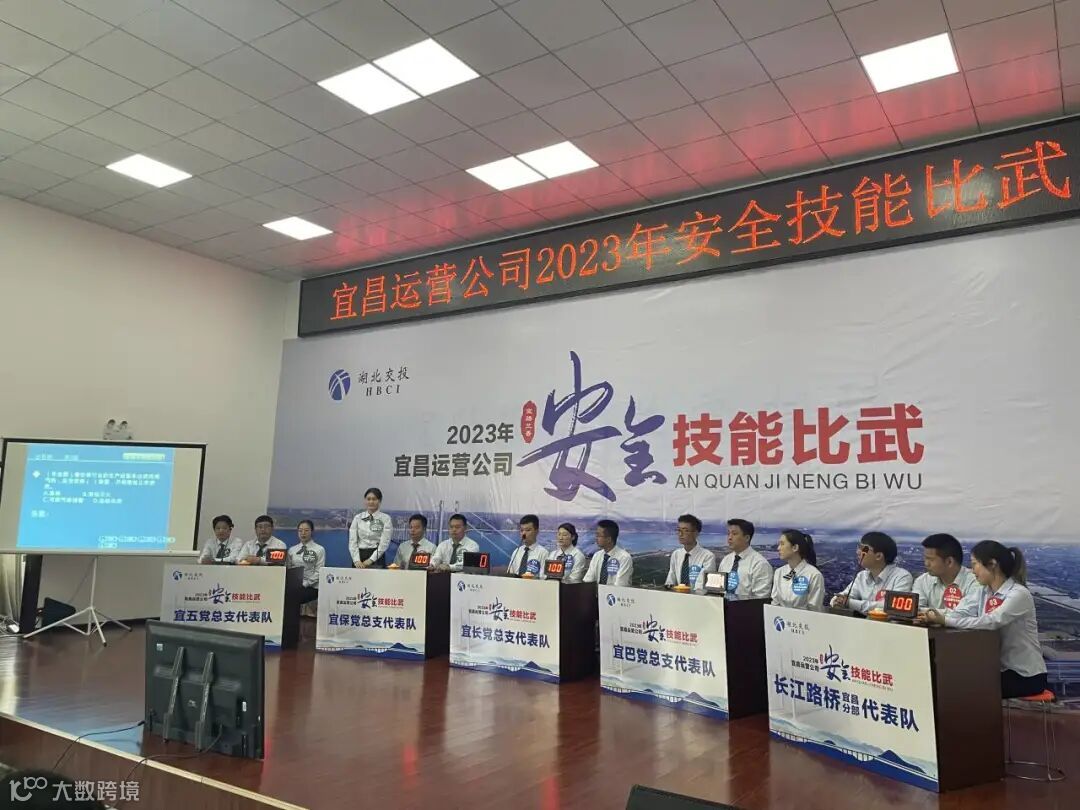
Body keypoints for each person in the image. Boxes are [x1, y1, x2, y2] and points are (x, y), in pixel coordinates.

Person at [921, 541, 1046, 698]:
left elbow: (992, 621)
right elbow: (959, 612)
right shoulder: (983, 592)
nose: (972, 570)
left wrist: (945, 621)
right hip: (995, 669)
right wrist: (925, 613)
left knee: (959, 688)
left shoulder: (1019, 594)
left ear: (992, 564)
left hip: (1024, 675)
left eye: (975, 564)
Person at [831, 531, 913, 612]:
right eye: (858, 547)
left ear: (878, 556)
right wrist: (838, 601)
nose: (858, 552)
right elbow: (841, 597)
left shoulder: (902, 577)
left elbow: (892, 607)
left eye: (864, 549)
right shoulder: (861, 576)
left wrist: (850, 603)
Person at [913, 533, 979, 613]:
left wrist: (929, 613)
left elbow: (966, 613)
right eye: (925, 558)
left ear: (949, 562)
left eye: (931, 559)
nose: (926, 563)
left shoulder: (974, 582)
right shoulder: (922, 581)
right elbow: (914, 610)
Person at [771, 529, 825, 611]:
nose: (778, 548)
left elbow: (814, 609)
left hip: (804, 618)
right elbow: (775, 603)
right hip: (780, 617)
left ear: (795, 548)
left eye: (782, 544)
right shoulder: (779, 572)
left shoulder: (814, 575)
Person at [717, 519, 772, 598]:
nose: (729, 537)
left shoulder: (760, 564)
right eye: (728, 534)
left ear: (747, 538)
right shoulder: (726, 560)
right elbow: (719, 589)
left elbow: (760, 598)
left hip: (746, 605)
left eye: (734, 534)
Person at [664, 514, 716, 592]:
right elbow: (670, 581)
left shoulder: (707, 556)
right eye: (679, 530)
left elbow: (701, 586)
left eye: (685, 530)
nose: (680, 534)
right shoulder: (676, 554)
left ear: (696, 533)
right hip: (676, 596)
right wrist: (669, 588)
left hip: (698, 598)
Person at [349, 487, 392, 568]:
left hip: (377, 557)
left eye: (374, 499)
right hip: (359, 557)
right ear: (365, 501)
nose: (371, 502)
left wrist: (371, 560)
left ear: (379, 501)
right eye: (368, 499)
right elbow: (352, 541)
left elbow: (384, 543)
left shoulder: (386, 519)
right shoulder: (358, 518)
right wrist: (356, 560)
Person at [287, 519, 325, 605]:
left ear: (312, 532)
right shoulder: (292, 550)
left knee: (294, 597)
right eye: (300, 531)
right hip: (294, 585)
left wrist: (305, 584)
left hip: (311, 586)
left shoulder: (319, 549)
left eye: (306, 530)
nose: (303, 533)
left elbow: (319, 571)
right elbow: (289, 568)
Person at [584, 519, 633, 586]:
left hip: (615, 592)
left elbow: (620, 585)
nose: (596, 538)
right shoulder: (597, 555)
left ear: (609, 539)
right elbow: (588, 579)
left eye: (598, 535)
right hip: (596, 591)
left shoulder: (624, 558)